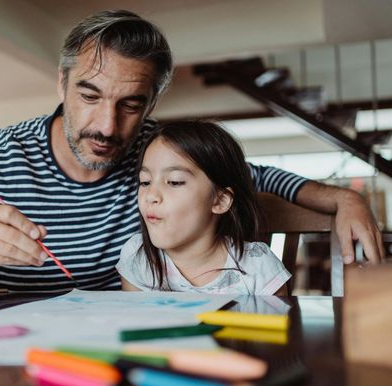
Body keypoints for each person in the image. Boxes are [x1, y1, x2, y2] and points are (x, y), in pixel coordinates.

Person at [0, 9, 383, 293]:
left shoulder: (156, 151)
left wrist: (344, 198)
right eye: (89, 97)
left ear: (152, 101)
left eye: (130, 105)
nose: (108, 127)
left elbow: (257, 177)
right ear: (62, 82)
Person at [117, 120, 290, 295]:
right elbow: (136, 320)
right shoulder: (138, 256)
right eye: (145, 181)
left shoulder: (258, 266)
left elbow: (278, 321)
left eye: (175, 182)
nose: (151, 195)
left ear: (220, 201)